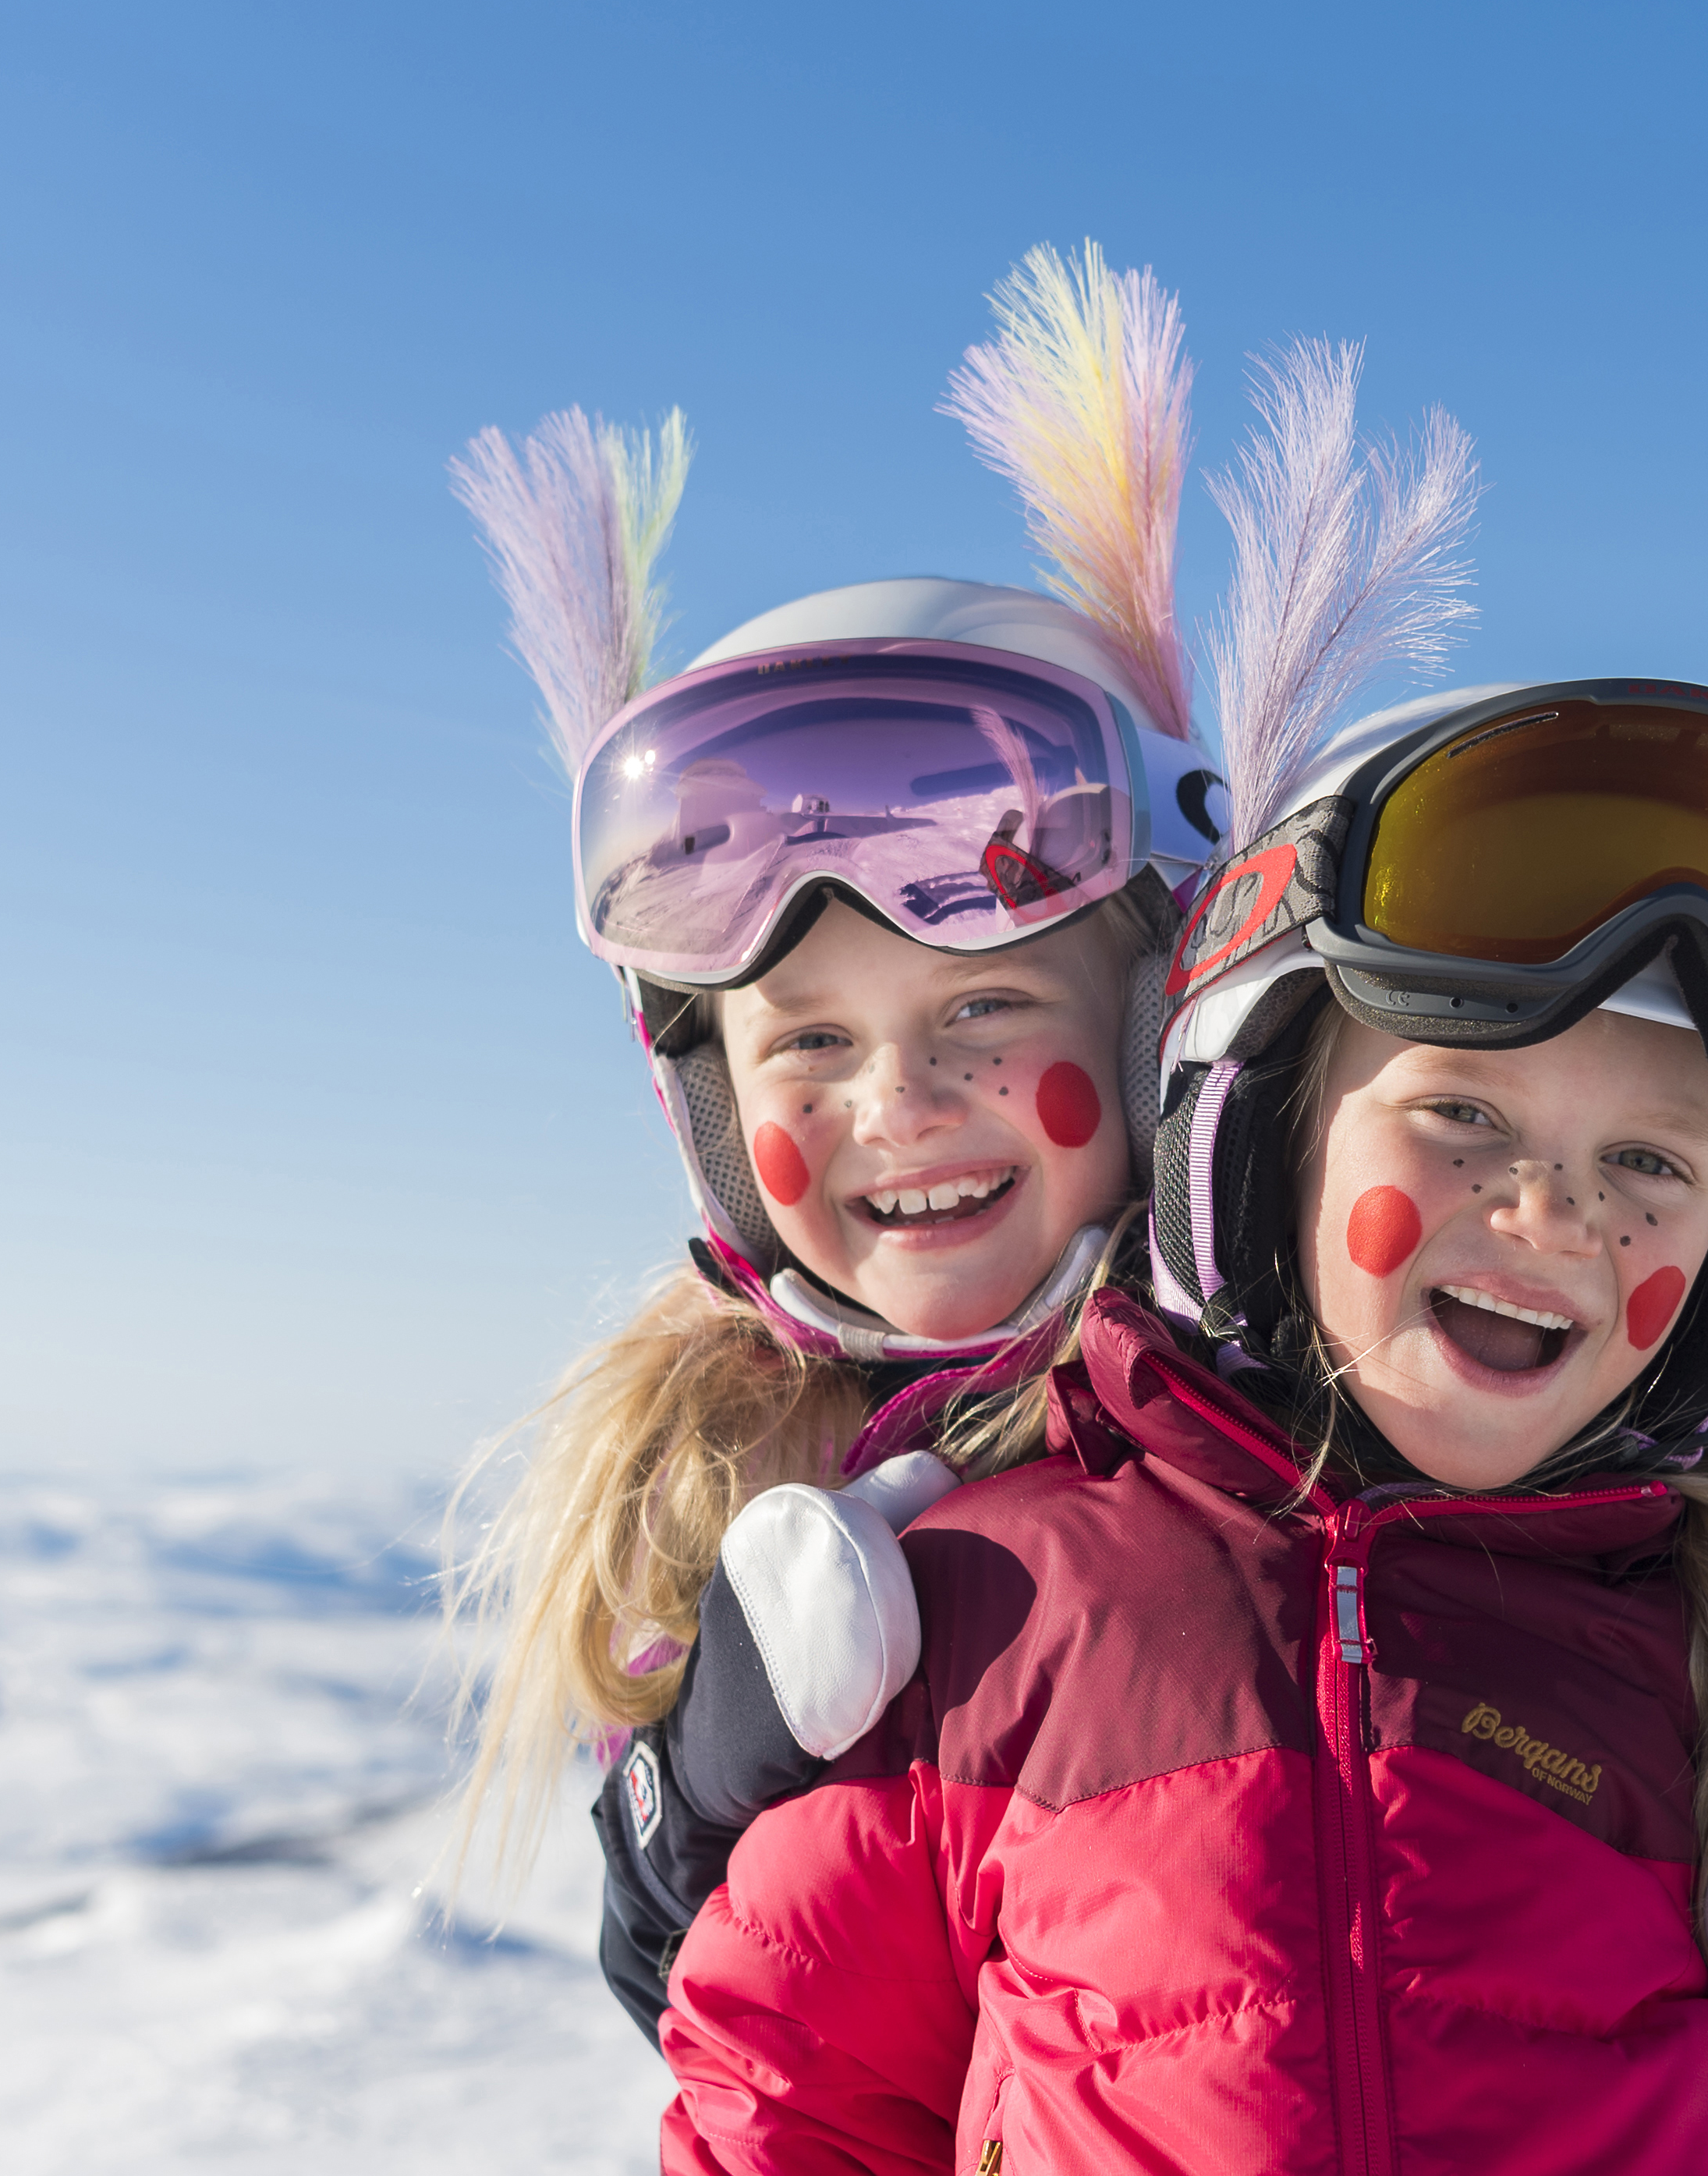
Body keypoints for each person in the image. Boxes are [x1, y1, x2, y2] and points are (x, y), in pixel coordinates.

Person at [649, 398, 1708, 2170]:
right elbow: (793, 2092)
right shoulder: (986, 1607)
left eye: (1648, 1166)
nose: (1549, 1214)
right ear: (1260, 1144)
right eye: (1460, 1112)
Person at [436, 246, 1237, 2026]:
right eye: (806, 1044)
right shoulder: (711, 1472)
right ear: (710, 1109)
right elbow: (690, 2018)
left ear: (1156, 1027)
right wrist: (689, 1811)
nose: (896, 1107)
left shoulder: (1308, 1385)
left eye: (981, 1011)